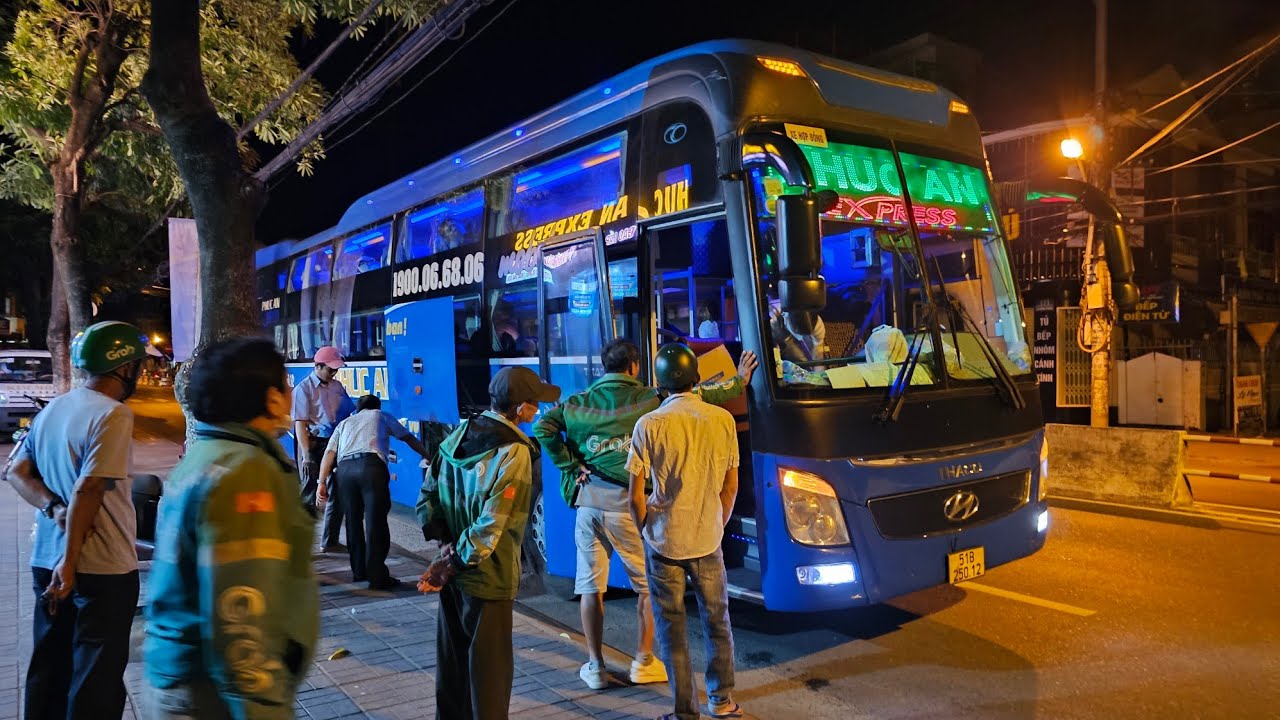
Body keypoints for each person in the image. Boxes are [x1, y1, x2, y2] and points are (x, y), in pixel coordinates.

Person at [532, 338, 757, 691]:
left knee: (592, 588)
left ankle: (594, 666)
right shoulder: (649, 400)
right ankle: (644, 661)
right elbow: (699, 398)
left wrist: (570, 463)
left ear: (603, 367)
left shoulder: (576, 403)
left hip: (588, 505)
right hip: (626, 506)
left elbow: (543, 427)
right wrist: (740, 380)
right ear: (634, 367)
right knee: (647, 589)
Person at [143, 337, 319, 719]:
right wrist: (264, 707)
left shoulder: (205, 457)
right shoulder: (245, 471)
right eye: (286, 384)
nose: (290, 393)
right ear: (271, 399)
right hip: (211, 696)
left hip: (184, 680)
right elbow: (240, 609)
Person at [5, 321, 147, 719]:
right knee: (95, 678)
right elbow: (89, 488)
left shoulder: (55, 407)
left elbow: (16, 471)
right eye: (138, 364)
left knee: (50, 667)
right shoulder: (113, 414)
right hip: (101, 569)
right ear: (125, 367)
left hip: (45, 562)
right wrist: (70, 561)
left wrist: (52, 508)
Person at [415, 366, 560, 720]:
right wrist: (453, 562)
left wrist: (446, 550)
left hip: (454, 579)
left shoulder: (459, 434)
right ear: (519, 407)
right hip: (487, 578)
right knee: (490, 679)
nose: (537, 410)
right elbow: (491, 525)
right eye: (534, 403)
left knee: (453, 673)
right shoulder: (514, 452)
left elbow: (427, 496)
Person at [628, 343, 745, 720]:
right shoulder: (722, 420)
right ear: (696, 378)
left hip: (664, 540)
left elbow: (635, 496)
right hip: (707, 539)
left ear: (659, 384)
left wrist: (646, 528)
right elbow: (730, 485)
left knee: (672, 630)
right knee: (717, 622)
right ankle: (722, 700)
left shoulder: (648, 425)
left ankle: (684, 713)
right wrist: (717, 522)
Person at [317, 394, 431, 590]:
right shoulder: (381, 415)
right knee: (375, 523)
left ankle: (359, 572)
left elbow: (329, 453)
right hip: (371, 468)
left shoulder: (345, 423)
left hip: (344, 471)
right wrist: (427, 455)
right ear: (376, 406)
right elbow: (407, 437)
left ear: (358, 410)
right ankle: (377, 578)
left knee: (352, 522)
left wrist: (321, 482)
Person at [292, 345, 356, 552]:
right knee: (309, 494)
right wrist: (307, 455)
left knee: (337, 490)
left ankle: (330, 541)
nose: (334, 373)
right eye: (330, 369)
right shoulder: (303, 389)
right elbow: (300, 424)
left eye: (336, 370)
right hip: (312, 444)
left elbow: (348, 413)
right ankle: (299, 546)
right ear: (318, 366)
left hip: (334, 443)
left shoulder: (337, 387)